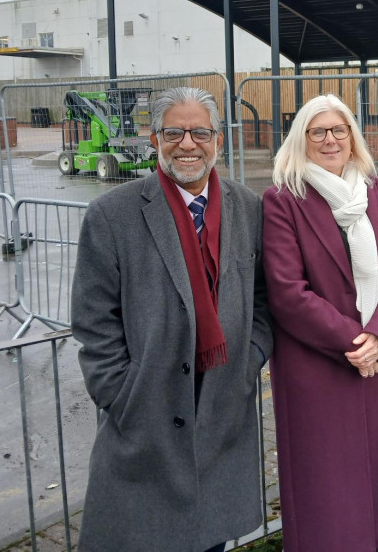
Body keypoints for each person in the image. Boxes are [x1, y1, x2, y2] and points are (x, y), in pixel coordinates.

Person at [71, 87, 272, 552]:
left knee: (208, 540)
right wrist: (120, 394)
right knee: (141, 538)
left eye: (200, 132)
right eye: (174, 132)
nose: (187, 144)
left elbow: (265, 300)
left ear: (218, 140)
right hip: (146, 413)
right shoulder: (111, 214)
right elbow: (93, 320)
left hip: (221, 408)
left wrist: (250, 360)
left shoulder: (248, 209)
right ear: (154, 137)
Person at [262, 94, 378, 552]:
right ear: (301, 140)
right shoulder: (283, 199)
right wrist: (356, 340)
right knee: (325, 488)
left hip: (377, 358)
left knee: (375, 478)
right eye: (318, 131)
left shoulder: (373, 190)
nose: (330, 140)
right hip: (319, 364)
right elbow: (288, 291)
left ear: (352, 137)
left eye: (339, 130)